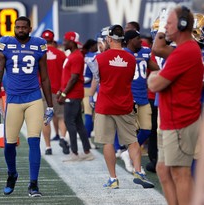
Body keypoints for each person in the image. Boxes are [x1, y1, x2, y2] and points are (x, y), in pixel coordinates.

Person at [0, 16, 54, 197]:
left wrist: (49, 105)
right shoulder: (6, 44)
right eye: (17, 27)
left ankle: (33, 184)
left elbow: (45, 77)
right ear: (14, 27)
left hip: (34, 98)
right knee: (9, 144)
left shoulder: (39, 44)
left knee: (34, 141)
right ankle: (12, 174)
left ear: (30, 28)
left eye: (23, 27)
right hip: (13, 99)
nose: (20, 30)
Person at [148, 6, 203, 205]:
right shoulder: (183, 49)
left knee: (181, 172)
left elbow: (155, 84)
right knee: (163, 169)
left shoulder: (186, 51)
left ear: (181, 25)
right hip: (171, 118)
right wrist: (164, 28)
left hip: (180, 119)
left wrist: (154, 77)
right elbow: (157, 48)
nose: (164, 28)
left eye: (168, 23)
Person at [88, 24, 154, 189]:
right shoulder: (131, 58)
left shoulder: (99, 59)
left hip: (105, 105)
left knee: (108, 142)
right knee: (132, 141)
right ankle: (138, 171)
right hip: (125, 103)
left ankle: (113, 178)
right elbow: (129, 78)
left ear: (109, 39)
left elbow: (98, 78)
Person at [121, 30, 160, 173]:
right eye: (138, 38)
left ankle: (128, 154)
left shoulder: (144, 52)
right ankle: (136, 165)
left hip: (143, 97)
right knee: (131, 132)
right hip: (129, 97)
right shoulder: (123, 53)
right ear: (131, 40)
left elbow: (155, 68)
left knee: (147, 129)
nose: (141, 41)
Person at [57, 31, 94, 162]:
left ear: (72, 42)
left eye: (66, 40)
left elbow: (74, 78)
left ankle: (75, 152)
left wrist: (64, 93)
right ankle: (87, 151)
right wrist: (61, 90)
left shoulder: (76, 56)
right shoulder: (73, 55)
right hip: (72, 93)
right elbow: (68, 77)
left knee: (69, 122)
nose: (64, 42)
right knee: (78, 123)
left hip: (73, 95)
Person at [40, 29, 68, 155]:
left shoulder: (39, 53)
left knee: (46, 119)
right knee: (61, 117)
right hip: (58, 89)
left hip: (43, 90)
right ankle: (62, 137)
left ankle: (47, 146)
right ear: (53, 40)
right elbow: (67, 72)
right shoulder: (61, 54)